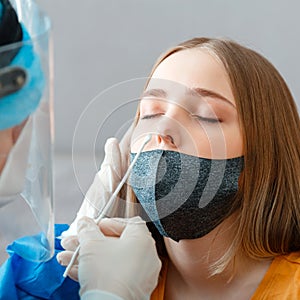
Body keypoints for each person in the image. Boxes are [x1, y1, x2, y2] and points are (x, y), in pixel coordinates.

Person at [60, 37, 300, 300]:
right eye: (150, 113)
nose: (162, 130)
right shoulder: (87, 269)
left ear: (264, 154)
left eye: (205, 115)